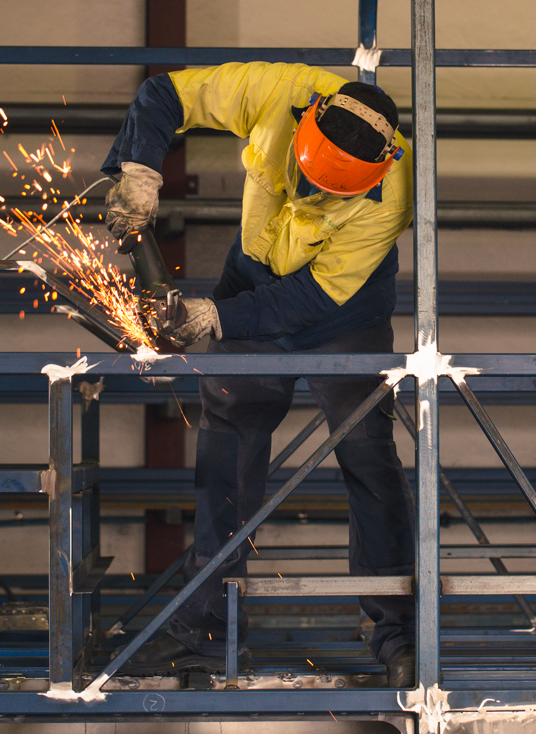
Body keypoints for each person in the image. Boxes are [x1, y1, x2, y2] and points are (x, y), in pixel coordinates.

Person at [101, 62, 417, 687]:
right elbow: (163, 93)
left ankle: (398, 634)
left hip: (342, 313)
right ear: (306, 125)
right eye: (306, 175)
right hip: (251, 278)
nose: (308, 194)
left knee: (368, 458)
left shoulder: (392, 194)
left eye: (328, 193)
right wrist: (138, 172)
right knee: (228, 455)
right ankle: (204, 633)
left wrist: (219, 315)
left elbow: (312, 298)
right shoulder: (280, 92)